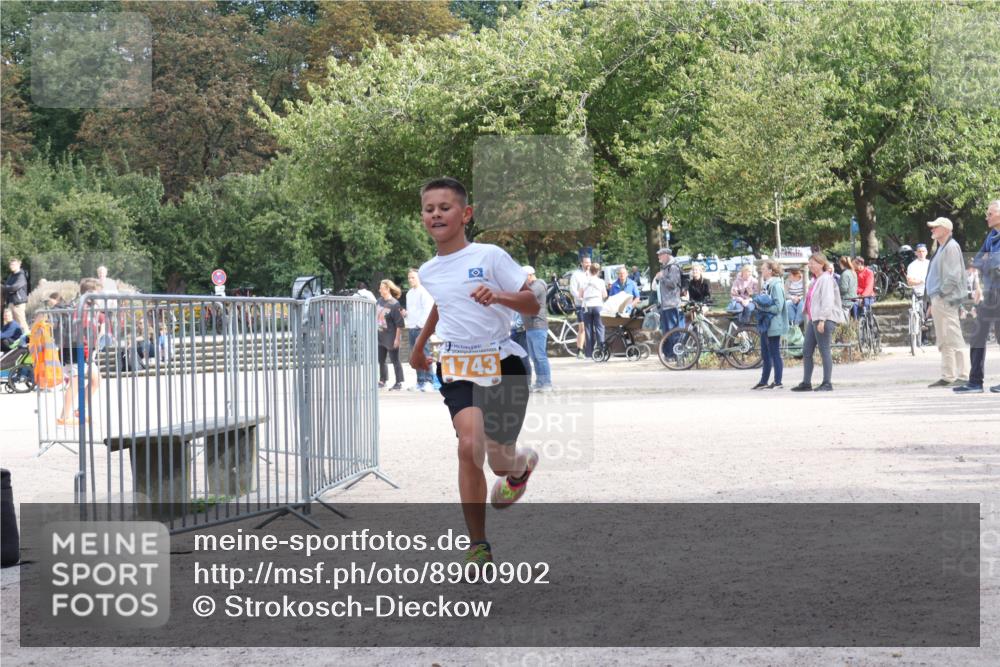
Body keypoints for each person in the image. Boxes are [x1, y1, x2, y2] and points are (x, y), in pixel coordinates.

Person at [408, 177, 540, 571]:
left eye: (444, 207)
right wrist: (419, 346)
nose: (436, 214)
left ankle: (520, 466)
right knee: (468, 446)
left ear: (465, 214)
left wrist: (497, 295)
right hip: (458, 365)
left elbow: (532, 303)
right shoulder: (429, 270)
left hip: (503, 363)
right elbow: (443, 305)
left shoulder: (491, 256)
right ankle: (478, 545)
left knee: (498, 462)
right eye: (429, 209)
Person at [955, 200, 1000, 394]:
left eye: (990, 214)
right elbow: (978, 260)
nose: (986, 217)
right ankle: (975, 382)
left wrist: (989, 261)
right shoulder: (992, 236)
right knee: (977, 335)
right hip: (991, 293)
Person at [923, 218, 967, 388]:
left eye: (935, 227)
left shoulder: (951, 247)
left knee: (953, 336)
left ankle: (963, 375)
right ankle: (948, 376)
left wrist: (941, 294)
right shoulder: (942, 248)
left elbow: (954, 275)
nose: (932, 229)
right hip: (938, 299)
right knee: (944, 338)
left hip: (945, 298)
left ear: (946, 229)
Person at [791, 253, 846, 392]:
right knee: (806, 351)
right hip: (813, 319)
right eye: (809, 263)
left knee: (824, 350)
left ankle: (827, 383)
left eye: (813, 263)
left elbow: (827, 300)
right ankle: (806, 383)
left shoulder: (826, 279)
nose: (810, 265)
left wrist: (822, 319)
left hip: (824, 318)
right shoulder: (816, 280)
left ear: (821, 264)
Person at [57, 278, 103, 426]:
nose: (100, 295)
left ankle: (80, 410)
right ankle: (64, 417)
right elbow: (79, 331)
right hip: (76, 350)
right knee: (76, 383)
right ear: (89, 293)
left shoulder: (93, 308)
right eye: (97, 292)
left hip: (86, 351)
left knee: (96, 380)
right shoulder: (81, 308)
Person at [752, 260, 788, 389]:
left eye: (763, 269)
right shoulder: (766, 284)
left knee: (774, 353)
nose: (761, 271)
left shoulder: (776, 285)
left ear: (770, 271)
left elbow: (778, 307)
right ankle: (764, 381)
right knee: (765, 354)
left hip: (773, 324)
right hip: (765, 323)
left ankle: (778, 382)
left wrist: (762, 308)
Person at [403, 268, 436, 392]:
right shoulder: (409, 293)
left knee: (425, 353)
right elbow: (412, 311)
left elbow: (428, 310)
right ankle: (420, 381)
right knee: (415, 355)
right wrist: (406, 316)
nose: (410, 280)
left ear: (419, 278)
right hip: (411, 327)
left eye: (413, 277)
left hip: (421, 328)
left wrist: (420, 325)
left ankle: (429, 381)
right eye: (409, 278)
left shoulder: (424, 291)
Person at [522, 266, 552, 391]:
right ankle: (540, 382)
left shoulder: (538, 285)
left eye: (523, 277)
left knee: (540, 357)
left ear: (529, 275)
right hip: (530, 327)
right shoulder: (531, 286)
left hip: (537, 325)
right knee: (535, 358)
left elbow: (526, 297)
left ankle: (546, 383)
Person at [376, 279, 405, 390]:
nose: (379, 290)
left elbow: (399, 324)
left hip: (391, 336)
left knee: (395, 360)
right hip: (380, 335)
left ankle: (399, 382)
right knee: (381, 360)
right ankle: (383, 380)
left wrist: (397, 339)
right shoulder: (379, 301)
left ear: (387, 289)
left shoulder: (394, 304)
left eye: (381, 288)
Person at [655, 247, 684, 342]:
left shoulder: (673, 267)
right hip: (666, 305)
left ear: (666, 255)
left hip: (672, 304)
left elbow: (673, 284)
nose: (658, 257)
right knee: (667, 333)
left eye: (660, 255)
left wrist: (661, 277)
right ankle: (669, 351)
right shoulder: (666, 267)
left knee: (673, 332)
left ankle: (675, 350)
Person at [580, 264, 607, 359]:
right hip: (598, 305)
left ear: (590, 271)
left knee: (588, 329)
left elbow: (580, 295)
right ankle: (601, 352)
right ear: (598, 271)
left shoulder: (584, 281)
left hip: (587, 306)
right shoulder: (601, 281)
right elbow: (605, 295)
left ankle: (589, 353)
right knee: (600, 328)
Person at [569, 255, 592, 359]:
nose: (588, 264)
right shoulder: (576, 275)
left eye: (589, 262)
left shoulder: (592, 274)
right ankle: (580, 350)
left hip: (592, 304)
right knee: (582, 328)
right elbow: (572, 289)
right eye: (586, 262)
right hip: (581, 304)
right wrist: (580, 297)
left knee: (591, 328)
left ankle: (590, 350)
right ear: (581, 263)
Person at [3, 257, 29, 334]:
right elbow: (7, 287)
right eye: (10, 264)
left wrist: (7, 288)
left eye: (13, 264)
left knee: (21, 323)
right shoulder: (11, 276)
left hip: (18, 303)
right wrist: (8, 288)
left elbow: (14, 287)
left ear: (19, 265)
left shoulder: (21, 276)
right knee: (9, 323)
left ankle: (28, 339)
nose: (11, 266)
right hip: (11, 302)